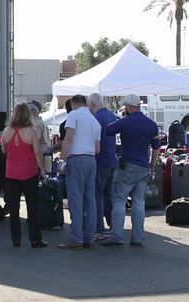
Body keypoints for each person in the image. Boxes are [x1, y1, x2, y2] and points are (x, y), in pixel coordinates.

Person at [103, 94, 160, 247]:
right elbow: (156, 148)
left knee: (119, 201)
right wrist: (152, 164)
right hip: (144, 166)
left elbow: (108, 130)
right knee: (139, 202)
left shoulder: (125, 122)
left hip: (127, 165)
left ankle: (117, 236)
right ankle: (138, 238)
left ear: (128, 106)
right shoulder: (151, 124)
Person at [57, 94, 101, 250]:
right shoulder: (95, 121)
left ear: (74, 104)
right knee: (90, 200)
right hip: (91, 160)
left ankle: (76, 238)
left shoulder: (73, 115)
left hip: (76, 159)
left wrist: (62, 160)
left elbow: (68, 138)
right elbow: (97, 149)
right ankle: (89, 238)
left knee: (75, 200)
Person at [2, 103, 48, 248]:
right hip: (29, 172)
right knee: (32, 207)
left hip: (11, 172)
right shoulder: (31, 131)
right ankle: (35, 239)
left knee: (14, 207)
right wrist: (42, 171)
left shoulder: (6, 131)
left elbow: (4, 150)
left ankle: (16, 239)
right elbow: (37, 153)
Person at [87, 93, 118, 240]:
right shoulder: (112, 116)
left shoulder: (96, 119)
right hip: (112, 160)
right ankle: (113, 226)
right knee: (109, 196)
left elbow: (94, 142)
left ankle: (99, 229)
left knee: (97, 196)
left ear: (92, 104)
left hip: (100, 161)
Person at [29, 100, 52, 174]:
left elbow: (34, 140)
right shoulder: (41, 123)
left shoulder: (36, 124)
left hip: (41, 161)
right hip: (44, 159)